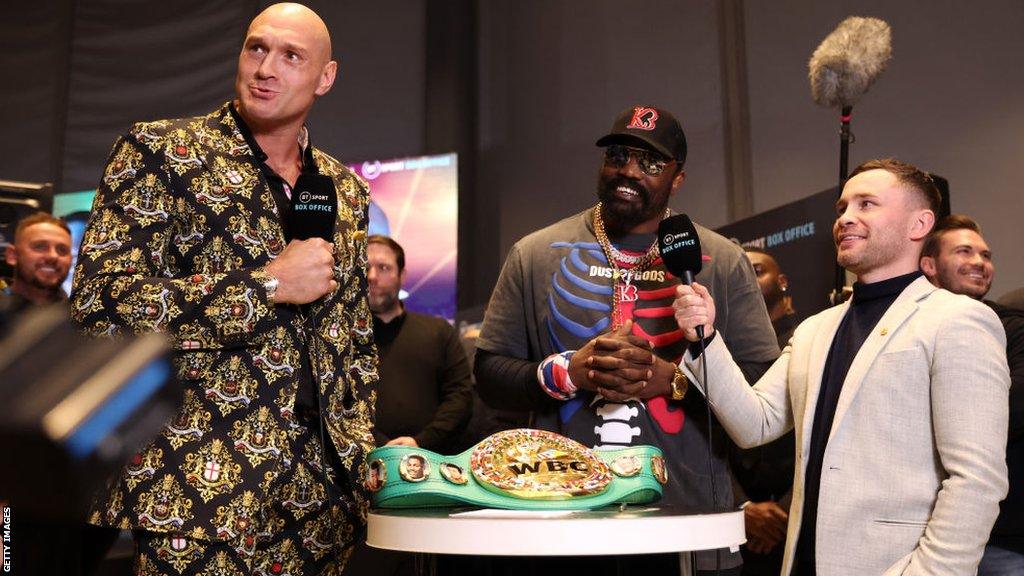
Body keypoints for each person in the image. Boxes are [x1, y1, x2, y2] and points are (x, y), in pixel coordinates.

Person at [70, 4, 377, 574]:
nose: (266, 68)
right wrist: (265, 285)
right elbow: (101, 306)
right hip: (196, 492)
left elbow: (354, 341)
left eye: (291, 56)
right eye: (256, 48)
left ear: (325, 77)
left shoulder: (345, 189)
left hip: (321, 504)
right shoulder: (161, 151)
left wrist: (357, 451)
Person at [475, 105, 779, 575]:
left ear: (678, 179)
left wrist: (676, 381)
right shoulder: (534, 254)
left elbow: (763, 387)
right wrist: (568, 372)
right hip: (561, 521)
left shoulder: (721, 258)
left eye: (650, 163)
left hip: (689, 521)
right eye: (618, 155)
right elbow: (491, 374)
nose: (628, 171)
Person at [673, 158, 1010, 575]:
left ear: (919, 224)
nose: (846, 218)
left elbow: (977, 479)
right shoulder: (818, 328)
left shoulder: (957, 320)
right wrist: (705, 337)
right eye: (843, 208)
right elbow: (754, 424)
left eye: (867, 204)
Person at [920, 215, 1024, 575]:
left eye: (985, 254)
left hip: (1001, 539)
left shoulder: (1014, 328)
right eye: (964, 251)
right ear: (929, 264)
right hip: (915, 533)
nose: (980, 262)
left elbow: (1013, 413)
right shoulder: (907, 331)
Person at [366, 235, 473, 453]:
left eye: (384, 267)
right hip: (360, 466)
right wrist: (379, 445)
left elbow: (460, 397)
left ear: (402, 275)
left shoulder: (439, 331)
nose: (372, 276)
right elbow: (334, 404)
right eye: (365, 267)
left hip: (433, 463)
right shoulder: (340, 340)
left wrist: (421, 442)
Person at [735, 247, 797, 575]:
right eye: (740, 273)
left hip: (798, 521)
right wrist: (741, 509)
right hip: (733, 527)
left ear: (782, 281)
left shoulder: (809, 340)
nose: (748, 279)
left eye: (757, 271)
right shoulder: (717, 351)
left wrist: (784, 513)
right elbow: (703, 435)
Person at [0, 211, 72, 317]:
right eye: (40, 247)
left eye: (62, 250)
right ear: (12, 255)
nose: (52, 256)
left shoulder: (80, 319)